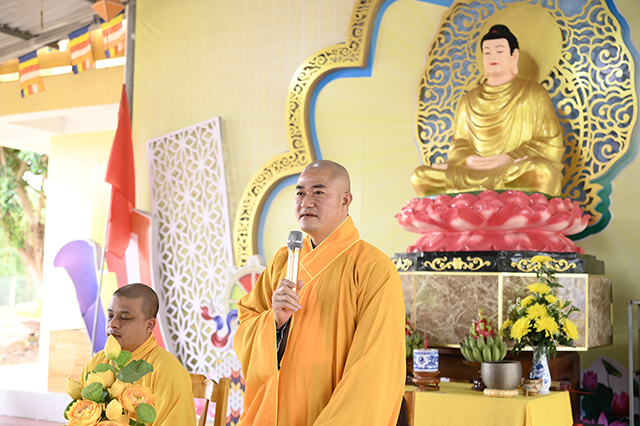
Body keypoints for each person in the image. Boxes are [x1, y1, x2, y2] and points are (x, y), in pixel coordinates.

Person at [234, 160, 406, 426]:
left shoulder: (373, 268)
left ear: (345, 201)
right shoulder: (282, 261)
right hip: (278, 411)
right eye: (300, 192)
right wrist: (274, 322)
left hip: (333, 412)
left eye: (318, 192)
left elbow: (374, 367)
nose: (306, 202)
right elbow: (246, 325)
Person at [411, 24, 565, 197]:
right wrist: (467, 160)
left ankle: (476, 198)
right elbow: (459, 143)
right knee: (420, 176)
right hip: (471, 172)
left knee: (541, 171)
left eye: (499, 51)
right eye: (487, 52)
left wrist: (508, 158)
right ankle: (481, 195)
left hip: (512, 170)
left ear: (514, 56)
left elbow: (550, 143)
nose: (493, 56)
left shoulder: (533, 93)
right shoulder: (468, 99)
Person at [79, 283, 197, 425]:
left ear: (149, 325)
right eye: (110, 316)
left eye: (124, 317)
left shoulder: (168, 370)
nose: (113, 324)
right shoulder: (97, 362)